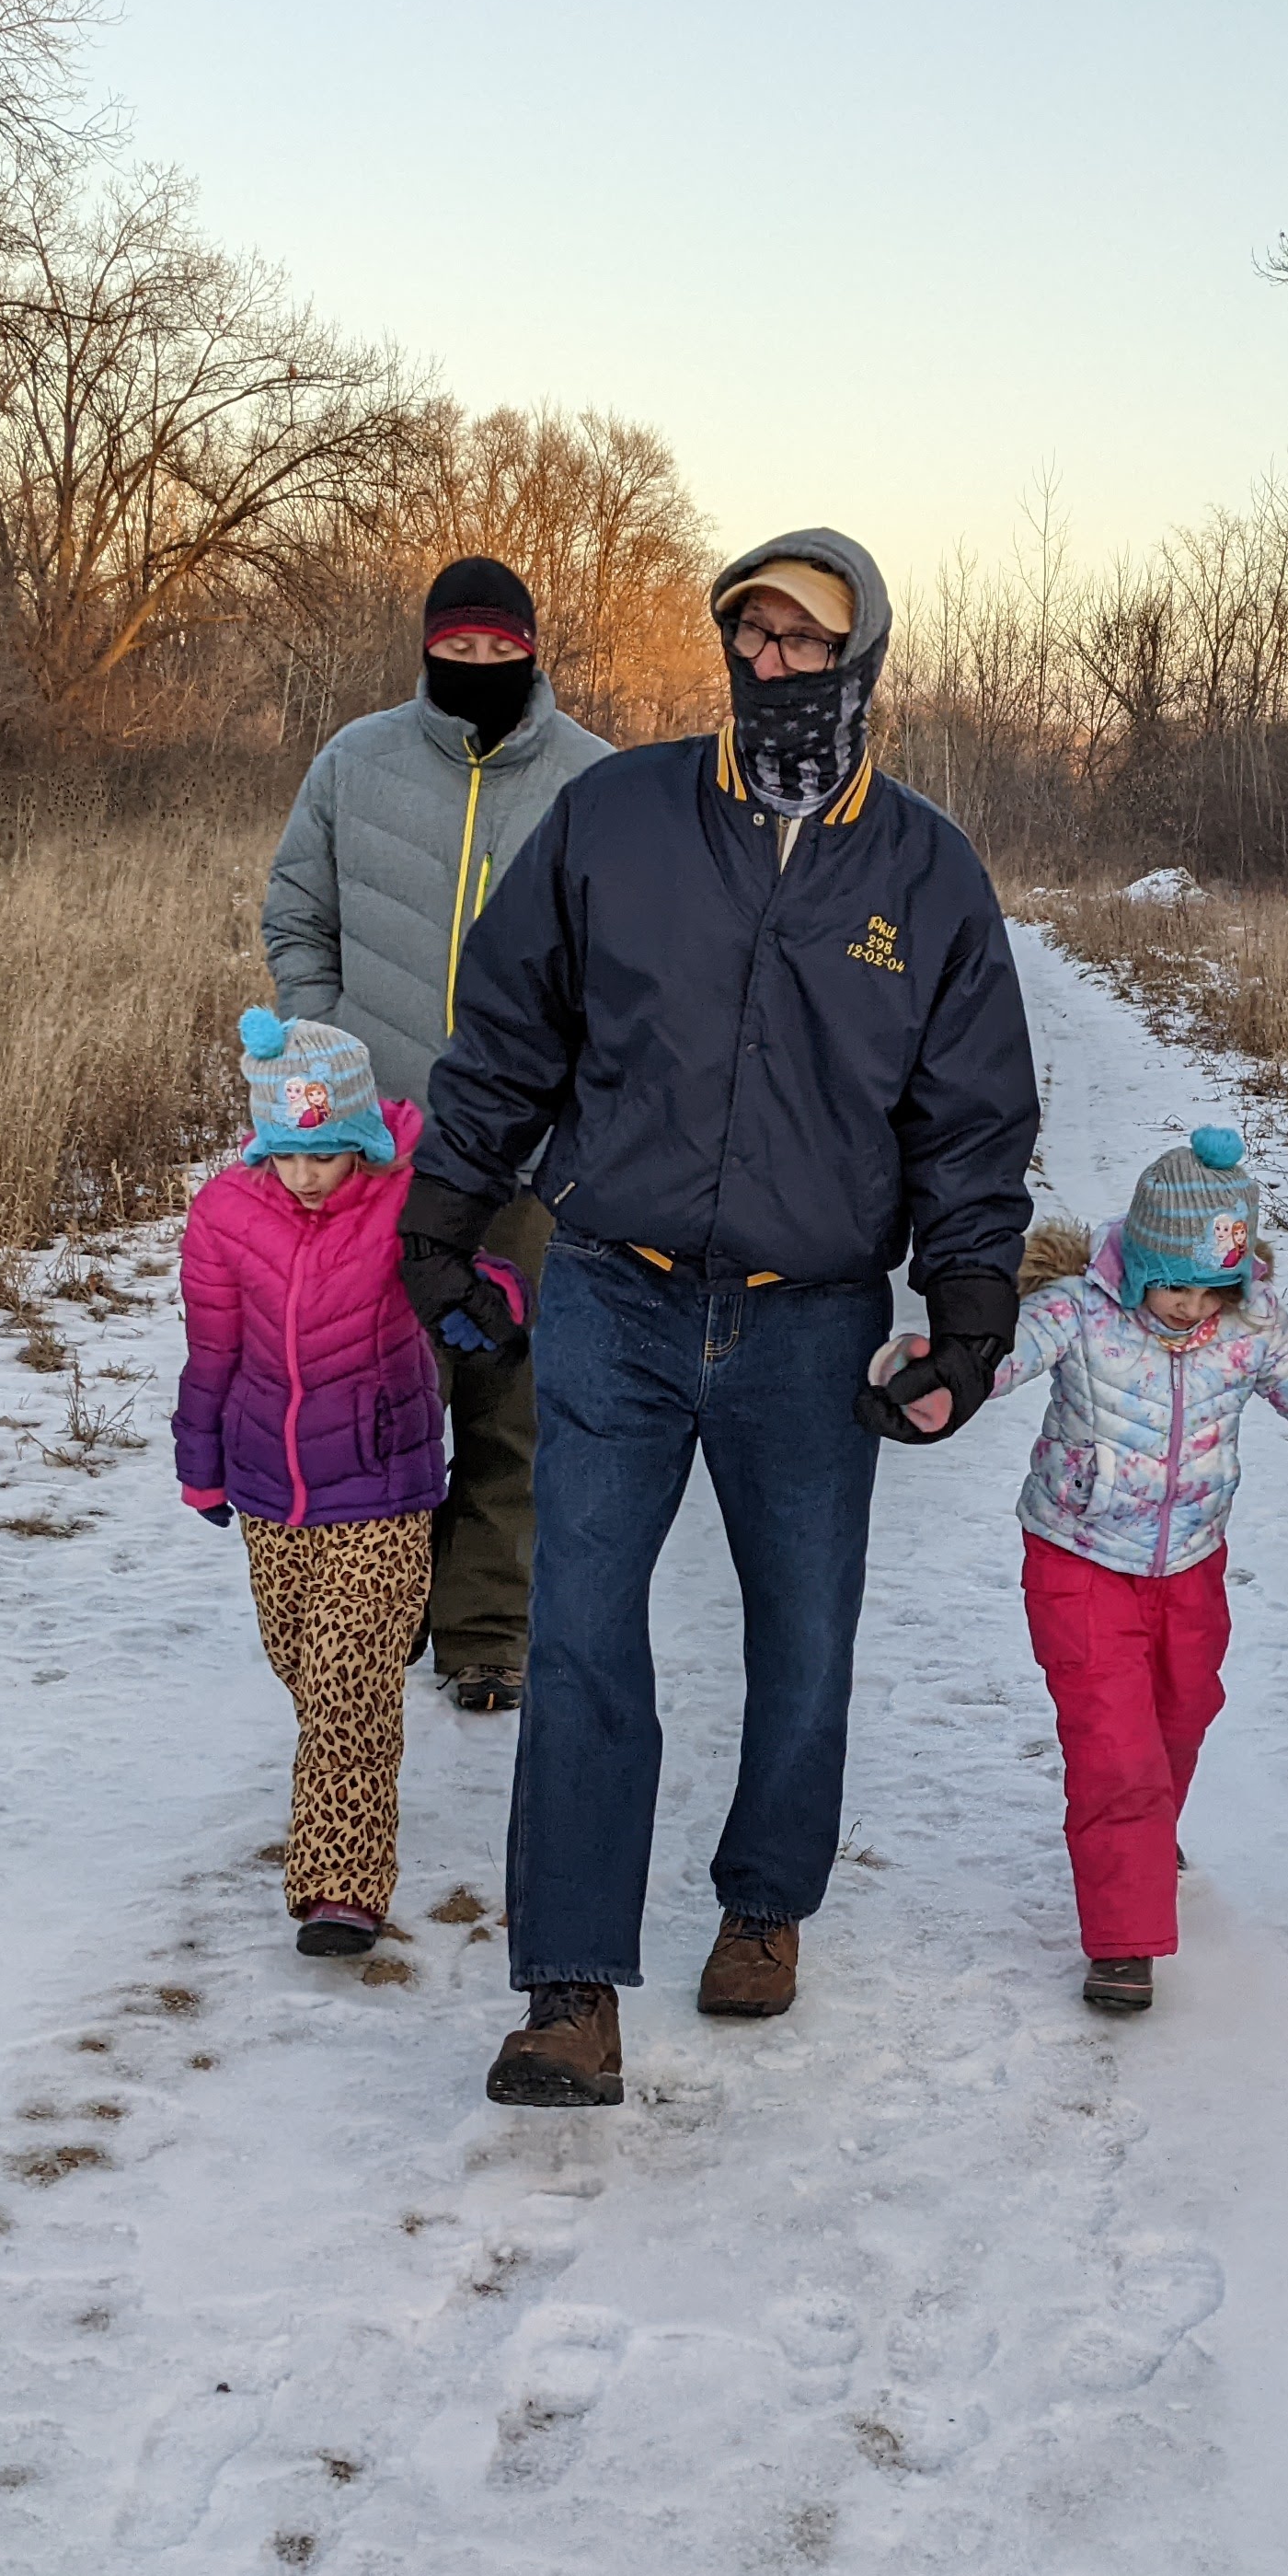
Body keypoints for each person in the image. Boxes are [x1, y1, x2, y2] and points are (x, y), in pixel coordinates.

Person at [406, 529, 1041, 2108]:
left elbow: (970, 1122)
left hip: (810, 1318)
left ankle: (765, 1899)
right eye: (752, 636)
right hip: (612, 1292)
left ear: (861, 658)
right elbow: (506, 1032)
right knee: (579, 1631)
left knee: (804, 1635)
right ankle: (569, 1989)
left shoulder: (927, 874)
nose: (774, 664)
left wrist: (968, 1316)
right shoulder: (614, 818)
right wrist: (441, 1218)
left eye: (805, 641)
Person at [261, 557, 611, 1714]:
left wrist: (581, 1096)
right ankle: (383, 1607)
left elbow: (627, 965)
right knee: (383, 1395)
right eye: (457, 648)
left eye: (497, 650)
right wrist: (329, 1047)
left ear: (532, 651)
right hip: (379, 1151)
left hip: (526, 1157)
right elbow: (297, 914)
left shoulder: (594, 781)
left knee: (512, 1398)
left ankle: (486, 1630)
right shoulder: (354, 762)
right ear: (426, 648)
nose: (477, 665)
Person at [955, 1127, 1288, 2013]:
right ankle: (1123, 1940)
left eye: (1212, 1289)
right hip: (1078, 1558)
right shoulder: (1080, 1311)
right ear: (1141, 1260)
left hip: (1191, 1563)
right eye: (1175, 1284)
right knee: (1115, 1748)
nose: (1190, 1307)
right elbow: (996, 1359)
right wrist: (934, 1379)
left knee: (1183, 1712)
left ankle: (1141, 1839)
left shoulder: (1247, 1325)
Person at [172, 1010, 517, 1958]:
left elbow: (476, 1275)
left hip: (382, 1484)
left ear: (361, 1138)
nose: (305, 1175)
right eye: (286, 1155)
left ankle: (340, 1886)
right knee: (303, 1664)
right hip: (268, 1489)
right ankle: (348, 1756)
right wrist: (201, 1465)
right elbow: (212, 1353)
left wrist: (494, 1303)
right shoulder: (224, 1216)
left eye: (324, 1155)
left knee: (345, 1687)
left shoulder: (408, 1202)